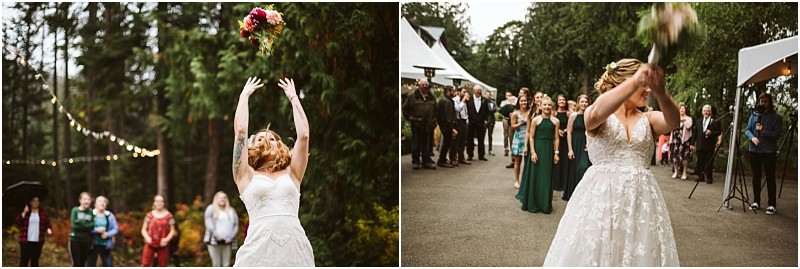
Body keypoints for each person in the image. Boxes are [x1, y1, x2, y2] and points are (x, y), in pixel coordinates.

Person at [543, 59, 680, 266]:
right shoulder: (598, 113)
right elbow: (595, 114)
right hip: (600, 200)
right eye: (644, 85)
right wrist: (635, 81)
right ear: (624, 82)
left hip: (640, 201)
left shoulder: (649, 119)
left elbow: (673, 122)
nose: (647, 90)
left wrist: (661, 92)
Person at [232, 77, 315, 266]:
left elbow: (303, 135)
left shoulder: (292, 172)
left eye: (272, 139)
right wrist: (244, 96)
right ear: (252, 147)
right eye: (260, 139)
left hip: (295, 250)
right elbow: (241, 132)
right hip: (257, 253)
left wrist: (294, 98)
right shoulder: (245, 175)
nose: (266, 141)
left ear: (280, 145)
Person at [515, 95, 560, 214]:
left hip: (549, 150)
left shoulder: (556, 121)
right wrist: (533, 152)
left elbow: (556, 138)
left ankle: (545, 205)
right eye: (544, 104)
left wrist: (556, 153)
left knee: (546, 177)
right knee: (535, 176)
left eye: (549, 105)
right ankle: (533, 203)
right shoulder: (535, 120)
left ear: (552, 106)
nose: (547, 107)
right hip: (537, 149)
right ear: (540, 106)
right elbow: (531, 137)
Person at [746, 93, 783, 215]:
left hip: (768, 151)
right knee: (756, 176)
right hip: (754, 150)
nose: (762, 103)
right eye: (761, 101)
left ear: (770, 102)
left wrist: (763, 131)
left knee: (770, 177)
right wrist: (752, 138)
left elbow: (776, 135)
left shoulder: (776, 117)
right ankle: (756, 201)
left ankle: (772, 204)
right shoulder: (754, 115)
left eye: (765, 101)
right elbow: (747, 130)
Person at [402, 79, 438, 170]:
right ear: (419, 86)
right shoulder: (412, 96)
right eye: (423, 85)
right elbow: (405, 108)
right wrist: (410, 118)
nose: (425, 87)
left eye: (426, 85)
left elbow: (436, 110)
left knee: (427, 144)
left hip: (428, 124)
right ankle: (416, 161)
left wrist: (434, 120)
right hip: (416, 124)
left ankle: (426, 161)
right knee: (416, 143)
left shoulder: (432, 97)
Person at [562, 95, 592, 201]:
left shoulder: (589, 116)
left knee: (584, 167)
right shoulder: (573, 115)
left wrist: (590, 144)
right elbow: (569, 132)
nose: (584, 104)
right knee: (575, 168)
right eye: (582, 102)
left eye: (586, 102)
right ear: (578, 103)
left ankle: (584, 194)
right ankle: (574, 194)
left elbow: (593, 132)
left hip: (586, 145)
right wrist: (570, 149)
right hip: (575, 144)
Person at [204, 191, 239, 267]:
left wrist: (230, 237)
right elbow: (208, 223)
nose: (222, 199)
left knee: (226, 264)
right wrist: (218, 236)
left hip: (227, 241)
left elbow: (236, 225)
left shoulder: (231, 210)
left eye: (224, 197)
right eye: (220, 197)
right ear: (216, 199)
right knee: (216, 263)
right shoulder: (211, 208)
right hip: (214, 241)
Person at [141, 194, 177, 267]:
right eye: (157, 201)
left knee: (162, 265)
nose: (159, 203)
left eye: (161, 201)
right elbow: (143, 229)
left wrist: (167, 239)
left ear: (164, 203)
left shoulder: (169, 216)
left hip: (163, 244)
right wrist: (147, 237)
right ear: (154, 203)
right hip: (150, 243)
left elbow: (173, 231)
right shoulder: (149, 215)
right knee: (145, 264)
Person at [16, 196, 52, 267]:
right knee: (23, 261)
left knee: (35, 261)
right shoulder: (26, 212)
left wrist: (48, 229)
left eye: (37, 201)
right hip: (25, 241)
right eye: (34, 201)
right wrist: (24, 212)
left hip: (38, 241)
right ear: (30, 202)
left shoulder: (42, 213)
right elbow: (18, 222)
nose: (36, 202)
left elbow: (48, 223)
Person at [691, 104, 721, 184]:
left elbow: (719, 132)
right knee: (700, 161)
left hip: (709, 145)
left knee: (709, 162)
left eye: (708, 111)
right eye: (705, 111)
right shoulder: (698, 121)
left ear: (710, 112)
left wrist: (711, 133)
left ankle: (709, 177)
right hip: (700, 144)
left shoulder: (715, 121)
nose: (706, 112)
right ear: (702, 112)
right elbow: (695, 133)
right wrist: (692, 143)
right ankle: (700, 176)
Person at [86, 196, 119, 267]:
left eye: (104, 201)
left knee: (108, 265)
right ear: (95, 204)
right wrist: (96, 230)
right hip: (92, 244)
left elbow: (115, 228)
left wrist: (108, 234)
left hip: (106, 245)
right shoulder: (91, 214)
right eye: (100, 201)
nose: (102, 203)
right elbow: (86, 227)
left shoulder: (109, 215)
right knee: (90, 265)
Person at [510, 95, 531, 189]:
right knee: (518, 160)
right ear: (518, 102)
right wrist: (520, 123)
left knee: (527, 161)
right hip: (519, 137)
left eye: (525, 101)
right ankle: (516, 180)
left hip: (528, 137)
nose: (523, 102)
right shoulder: (515, 113)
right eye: (521, 101)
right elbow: (512, 126)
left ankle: (526, 181)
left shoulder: (530, 112)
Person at [669, 103, 693, 180]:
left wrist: (683, 121)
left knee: (685, 157)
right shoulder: (675, 118)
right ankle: (676, 172)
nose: (681, 110)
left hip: (684, 141)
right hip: (676, 140)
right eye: (680, 109)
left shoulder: (689, 118)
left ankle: (684, 172)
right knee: (675, 157)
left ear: (685, 110)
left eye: (683, 108)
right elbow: (671, 127)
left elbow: (689, 126)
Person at [70, 192, 95, 267]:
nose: (86, 201)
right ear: (80, 200)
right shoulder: (75, 210)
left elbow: (93, 224)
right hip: (75, 240)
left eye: (88, 199)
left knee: (83, 263)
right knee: (76, 263)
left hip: (87, 241)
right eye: (84, 199)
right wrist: (87, 225)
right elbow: (74, 226)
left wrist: (80, 222)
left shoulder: (90, 211)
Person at [553, 94, 571, 191]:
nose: (561, 102)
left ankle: (564, 183)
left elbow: (571, 124)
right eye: (560, 100)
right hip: (556, 139)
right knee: (557, 159)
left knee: (565, 160)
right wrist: (558, 130)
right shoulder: (554, 113)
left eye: (563, 100)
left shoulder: (569, 113)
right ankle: (556, 183)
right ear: (557, 102)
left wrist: (566, 130)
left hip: (565, 139)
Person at [437, 86, 458, 168]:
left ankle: (442, 159)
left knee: (446, 143)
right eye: (453, 91)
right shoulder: (447, 102)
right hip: (446, 126)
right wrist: (452, 128)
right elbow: (448, 116)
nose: (454, 93)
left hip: (443, 125)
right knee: (446, 143)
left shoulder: (443, 100)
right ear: (449, 91)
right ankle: (441, 160)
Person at [466, 85, 488, 161]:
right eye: (478, 90)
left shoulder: (484, 100)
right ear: (474, 91)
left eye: (480, 90)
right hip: (471, 122)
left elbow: (486, 111)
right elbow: (467, 109)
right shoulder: (469, 99)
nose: (479, 92)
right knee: (470, 139)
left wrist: (485, 119)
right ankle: (470, 154)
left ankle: (481, 155)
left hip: (481, 122)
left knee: (481, 139)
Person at [451, 87, 471, 166]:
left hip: (464, 121)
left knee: (463, 141)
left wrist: (467, 120)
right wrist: (463, 100)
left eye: (466, 92)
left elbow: (466, 111)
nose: (465, 93)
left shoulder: (465, 101)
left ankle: (461, 158)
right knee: (456, 141)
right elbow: (457, 109)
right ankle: (453, 158)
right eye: (463, 92)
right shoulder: (455, 100)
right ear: (459, 92)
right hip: (458, 121)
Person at [499, 92, 517, 157]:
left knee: (511, 135)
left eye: (510, 95)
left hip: (512, 120)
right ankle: (506, 149)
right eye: (507, 95)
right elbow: (500, 111)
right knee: (505, 134)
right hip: (506, 119)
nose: (508, 97)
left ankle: (512, 149)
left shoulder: (515, 104)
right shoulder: (504, 103)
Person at [485, 91, 498, 156]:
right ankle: (482, 150)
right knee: (482, 136)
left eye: (489, 95)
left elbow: (495, 109)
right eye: (487, 94)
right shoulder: (483, 102)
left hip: (491, 120)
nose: (488, 96)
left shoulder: (493, 102)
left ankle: (490, 149)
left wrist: (488, 110)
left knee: (490, 135)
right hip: (485, 120)